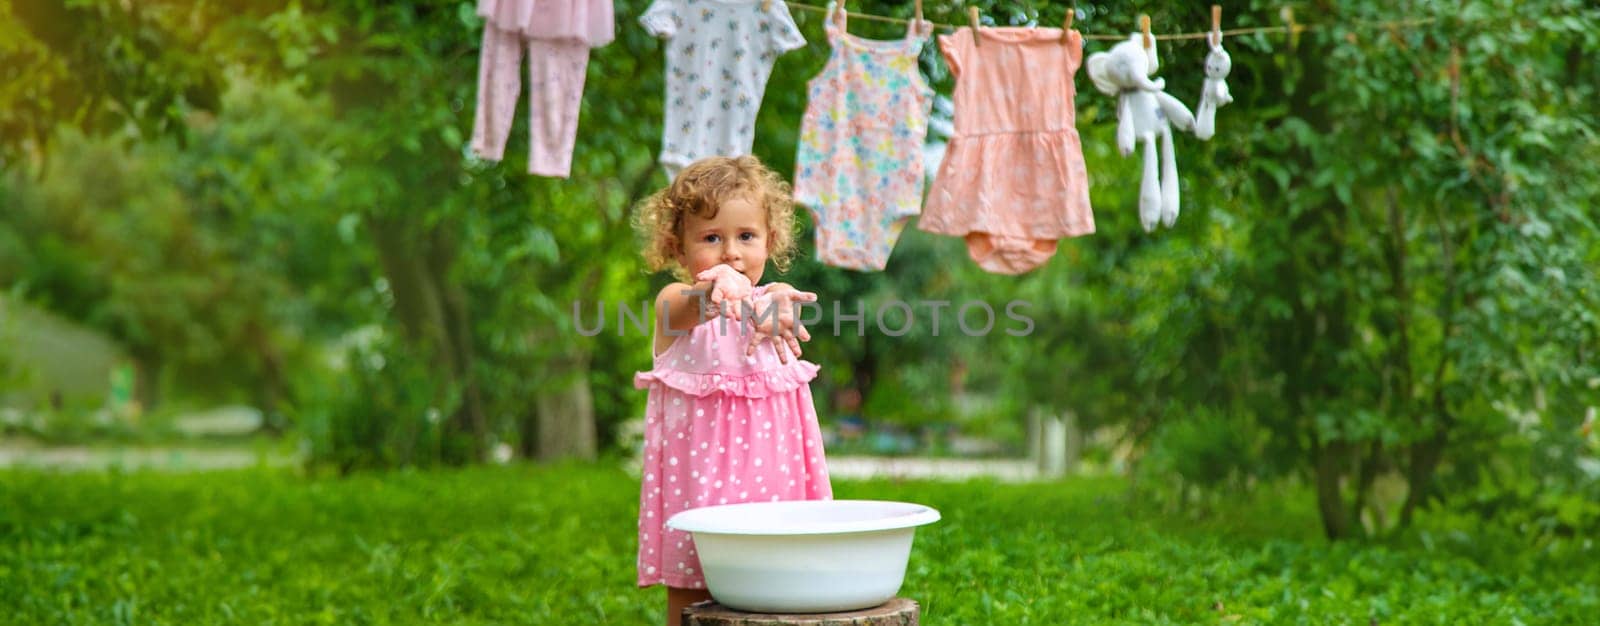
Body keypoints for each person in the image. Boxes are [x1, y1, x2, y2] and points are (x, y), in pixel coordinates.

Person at [632, 155, 834, 625]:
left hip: (771, 483)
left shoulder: (772, 307)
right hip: (698, 486)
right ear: (678, 249)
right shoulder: (674, 305)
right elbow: (690, 308)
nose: (730, 252)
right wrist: (714, 288)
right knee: (693, 589)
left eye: (746, 236)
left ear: (771, 241)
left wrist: (780, 306)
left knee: (776, 587)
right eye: (710, 238)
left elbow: (776, 319)